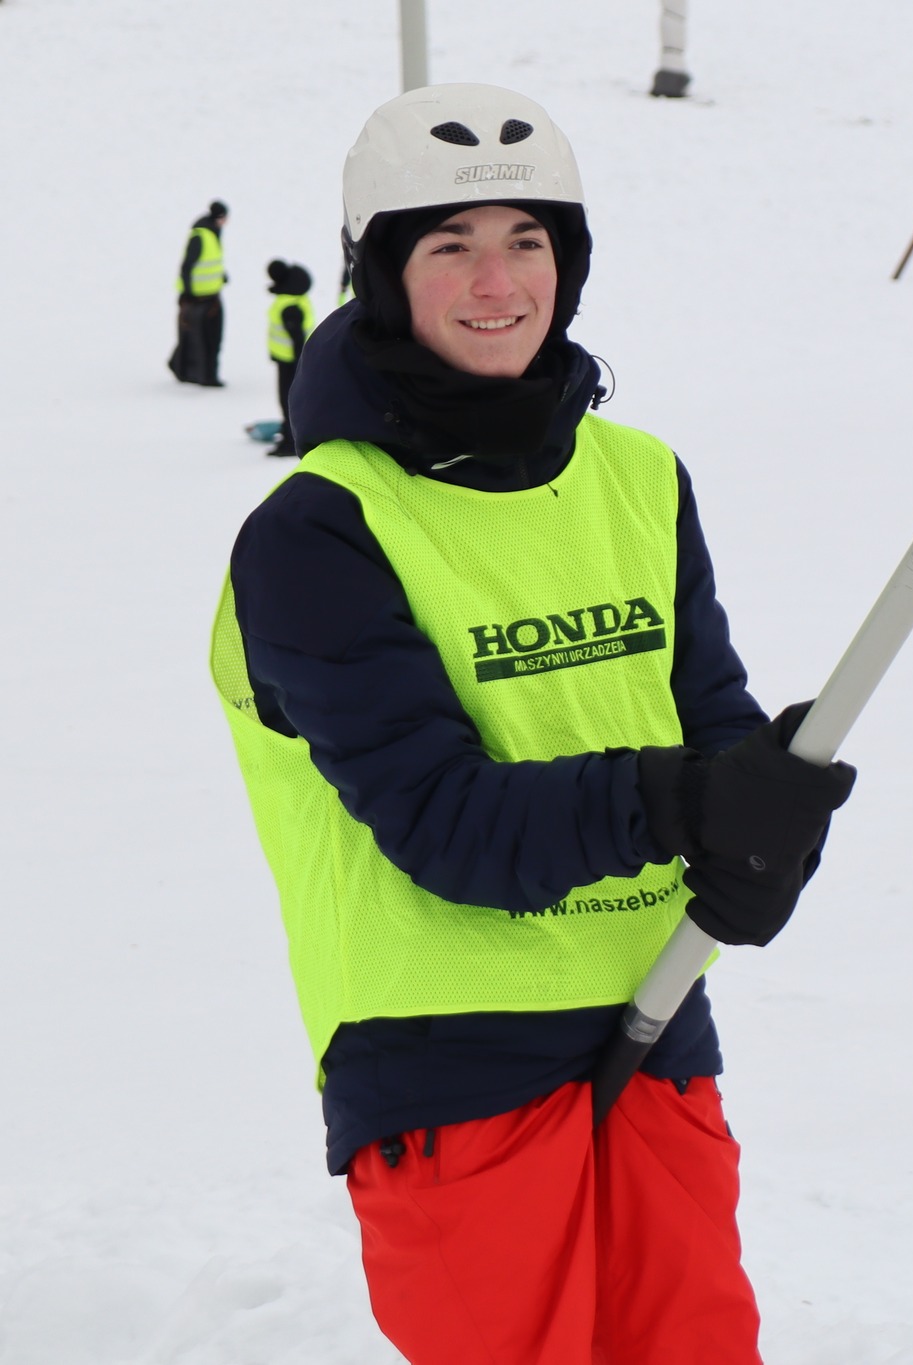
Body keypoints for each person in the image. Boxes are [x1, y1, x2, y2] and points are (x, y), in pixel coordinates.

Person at [208, 84, 855, 1364]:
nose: (496, 279)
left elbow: (710, 728)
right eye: (448, 244)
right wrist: (691, 806)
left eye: (527, 240)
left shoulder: (638, 476)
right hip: (447, 1061)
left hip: (657, 1006)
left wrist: (765, 836)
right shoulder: (319, 532)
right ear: (383, 274)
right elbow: (445, 828)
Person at [170, 200, 229, 386]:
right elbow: (188, 266)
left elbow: (210, 263)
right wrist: (187, 293)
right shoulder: (202, 235)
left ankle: (190, 370)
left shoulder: (212, 234)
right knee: (204, 339)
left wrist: (221, 277)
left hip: (209, 295)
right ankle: (204, 375)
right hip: (197, 298)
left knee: (198, 336)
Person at [263, 260, 315, 457]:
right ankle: (290, 436)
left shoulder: (289, 308)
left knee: (288, 402)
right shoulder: (295, 301)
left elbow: (297, 339)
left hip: (291, 364)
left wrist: (297, 365)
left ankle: (290, 442)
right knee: (291, 401)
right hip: (292, 361)